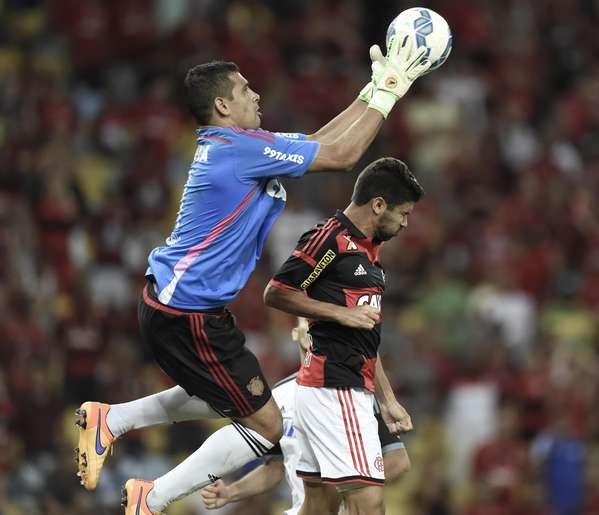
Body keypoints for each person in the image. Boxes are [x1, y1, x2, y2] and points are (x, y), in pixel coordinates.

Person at [74, 31, 432, 515]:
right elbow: (343, 157)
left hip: (186, 308)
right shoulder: (237, 151)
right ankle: (150, 499)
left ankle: (112, 423)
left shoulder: (244, 144)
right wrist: (391, 93)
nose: (256, 94)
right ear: (222, 105)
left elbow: (320, 142)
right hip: (187, 313)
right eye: (245, 90)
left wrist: (373, 91)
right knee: (268, 425)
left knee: (241, 398)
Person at [263, 156, 423, 515]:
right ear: (379, 205)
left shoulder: (371, 252)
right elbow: (277, 291)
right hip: (335, 389)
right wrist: (341, 313)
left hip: (343, 388)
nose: (405, 223)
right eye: (404, 213)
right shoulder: (331, 238)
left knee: (317, 507)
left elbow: (365, 335)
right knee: (369, 502)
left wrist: (387, 399)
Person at [200, 317, 411, 514]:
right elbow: (275, 467)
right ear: (297, 335)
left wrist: (351, 491)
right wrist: (231, 492)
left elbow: (397, 461)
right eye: (308, 328)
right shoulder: (278, 395)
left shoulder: (358, 391)